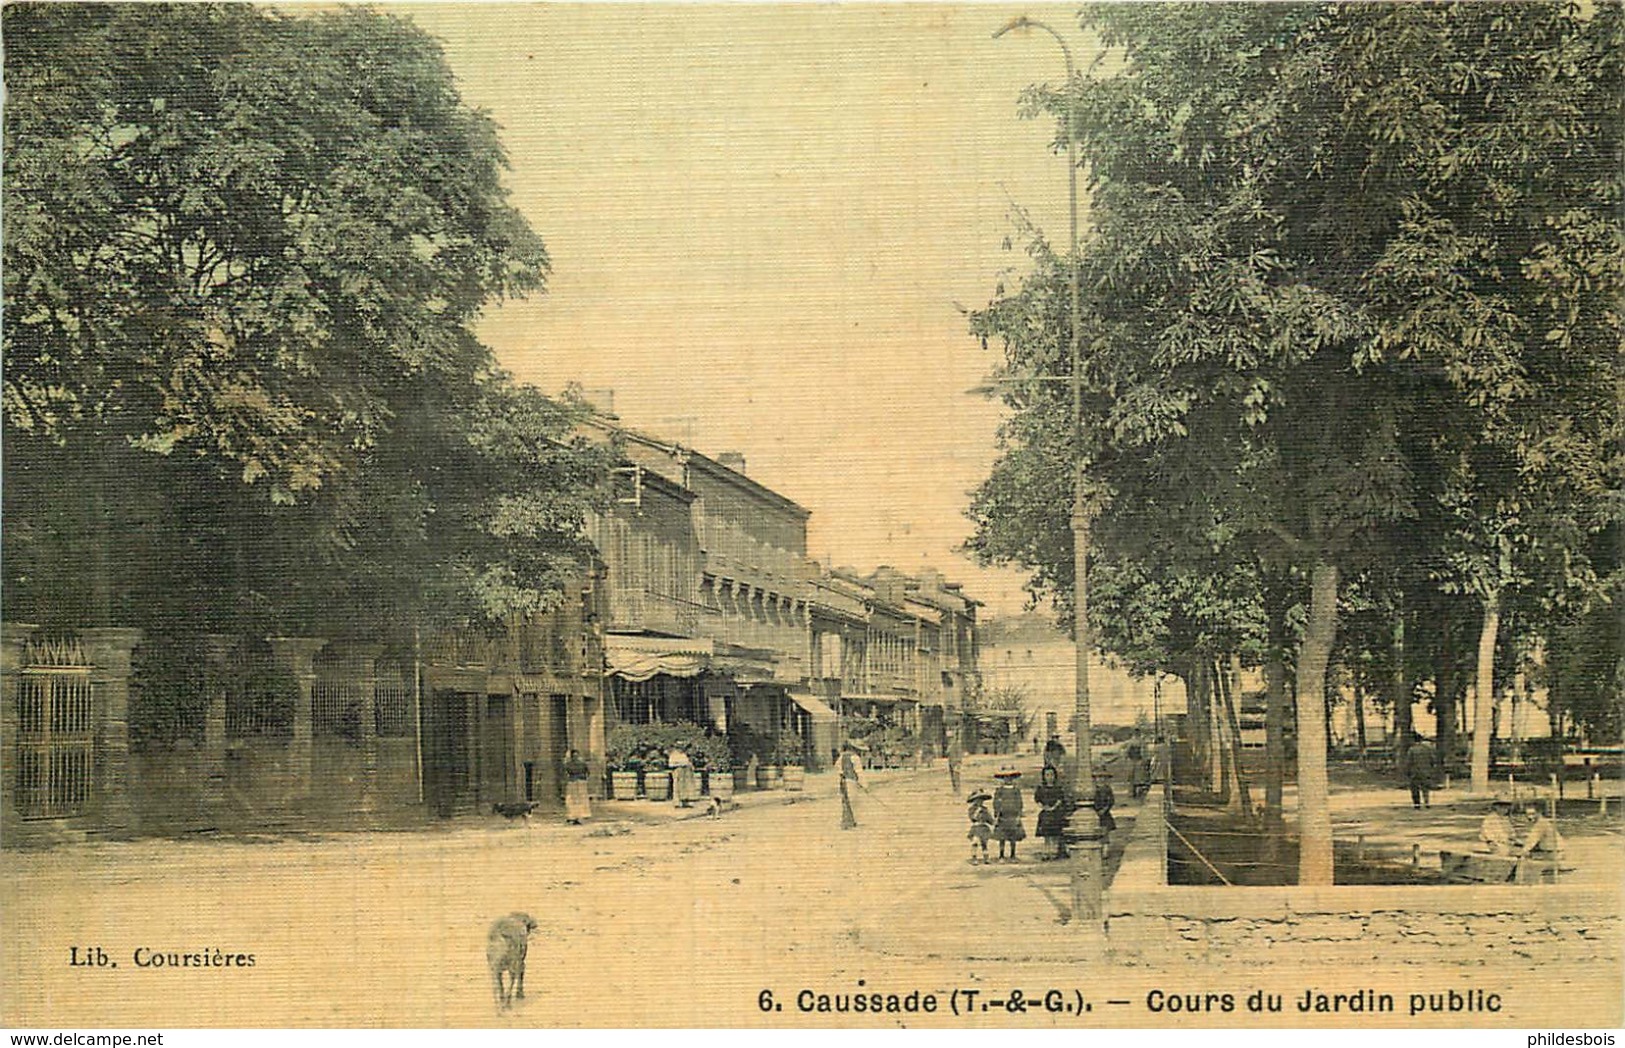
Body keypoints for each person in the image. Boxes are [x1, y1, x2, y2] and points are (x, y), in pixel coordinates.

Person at [1034, 765, 1071, 860]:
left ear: (1055, 776)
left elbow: (1060, 799)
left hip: (1056, 813)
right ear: (1044, 776)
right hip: (1046, 813)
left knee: (1055, 834)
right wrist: (1044, 806)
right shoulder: (1041, 788)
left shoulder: (1058, 788)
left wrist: (1053, 807)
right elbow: (1038, 799)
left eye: (1051, 775)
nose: (1049, 777)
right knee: (1046, 835)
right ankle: (1047, 852)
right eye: (1047, 775)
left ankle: (1054, 851)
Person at [991, 768, 1025, 862]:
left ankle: (1012, 855)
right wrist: (996, 811)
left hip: (1013, 816)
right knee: (1002, 836)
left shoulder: (1016, 790)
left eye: (1010, 777)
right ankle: (1001, 855)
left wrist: (1019, 812)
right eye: (1006, 777)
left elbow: (1019, 802)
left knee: (1013, 836)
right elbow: (996, 802)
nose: (1008, 779)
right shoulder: (999, 790)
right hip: (1003, 815)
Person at [1402, 735, 1440, 809]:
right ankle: (1426, 802)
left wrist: (1407, 771)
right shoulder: (1428, 749)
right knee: (1425, 788)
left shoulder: (1412, 749)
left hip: (1415, 772)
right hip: (1426, 771)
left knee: (1415, 788)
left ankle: (1417, 804)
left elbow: (1409, 762)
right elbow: (1433, 760)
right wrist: (1431, 768)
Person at [563, 749, 592, 825]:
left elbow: (566, 772)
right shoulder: (582, 763)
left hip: (575, 781)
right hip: (578, 781)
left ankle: (576, 815)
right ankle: (577, 815)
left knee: (575, 798)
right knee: (577, 798)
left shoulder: (569, 764)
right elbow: (588, 772)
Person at [966, 791, 994, 864]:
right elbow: (972, 818)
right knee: (975, 843)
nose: (979, 801)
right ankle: (974, 858)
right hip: (976, 827)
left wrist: (992, 820)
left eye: (981, 800)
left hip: (983, 827)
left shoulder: (985, 809)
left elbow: (990, 820)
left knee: (984, 843)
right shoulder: (972, 809)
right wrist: (977, 811)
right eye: (977, 800)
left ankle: (986, 858)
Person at [669, 741, 699, 808]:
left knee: (686, 787)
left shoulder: (683, 755)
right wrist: (680, 765)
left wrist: (689, 765)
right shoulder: (673, 755)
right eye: (679, 747)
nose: (681, 749)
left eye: (682, 747)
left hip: (686, 772)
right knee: (677, 787)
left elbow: (687, 762)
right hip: (678, 771)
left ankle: (685, 801)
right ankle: (677, 803)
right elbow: (671, 764)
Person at [839, 743, 860, 830]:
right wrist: (863, 783)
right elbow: (859, 770)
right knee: (853, 801)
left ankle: (847, 821)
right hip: (851, 780)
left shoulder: (841, 757)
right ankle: (850, 821)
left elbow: (838, 769)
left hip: (843, 781)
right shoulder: (855, 757)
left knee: (846, 801)